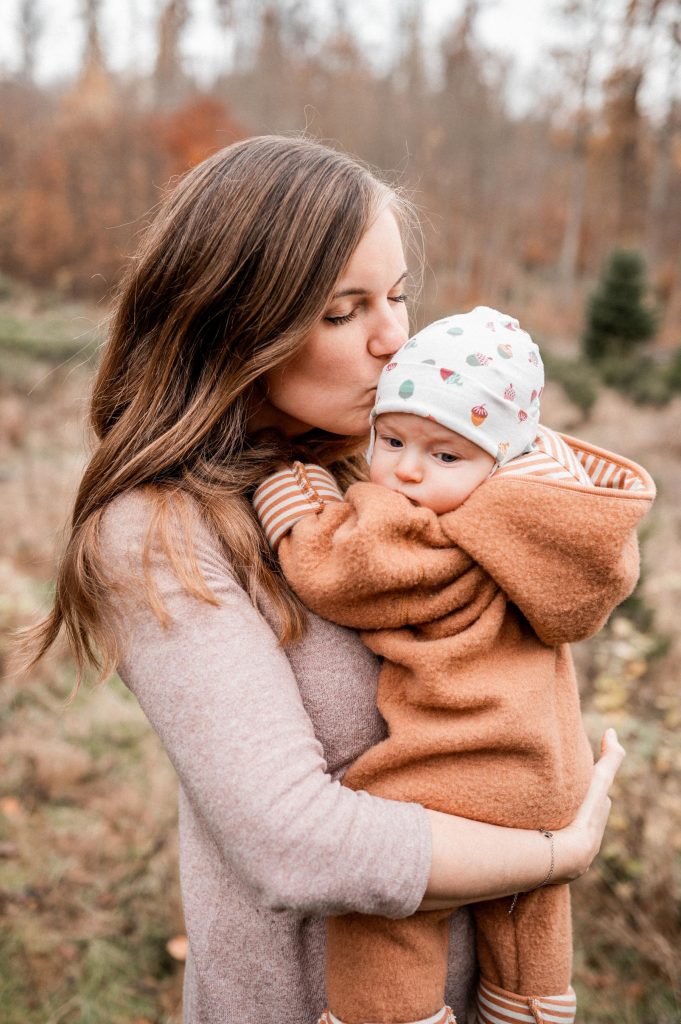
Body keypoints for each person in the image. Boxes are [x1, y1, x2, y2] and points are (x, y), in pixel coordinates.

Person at [25, 135, 626, 1024]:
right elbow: (296, 845)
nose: (395, 340)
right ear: (235, 327)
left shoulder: (388, 475)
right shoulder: (158, 532)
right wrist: (553, 854)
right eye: (343, 313)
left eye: (397, 297)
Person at [253, 305, 655, 1024]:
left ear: (498, 464)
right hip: (550, 780)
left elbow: (344, 572)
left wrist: (301, 505)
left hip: (457, 775)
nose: (407, 469)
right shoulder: (549, 526)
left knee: (384, 916)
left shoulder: (446, 540)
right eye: (392, 439)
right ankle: (531, 1003)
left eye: (445, 456)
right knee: (529, 908)